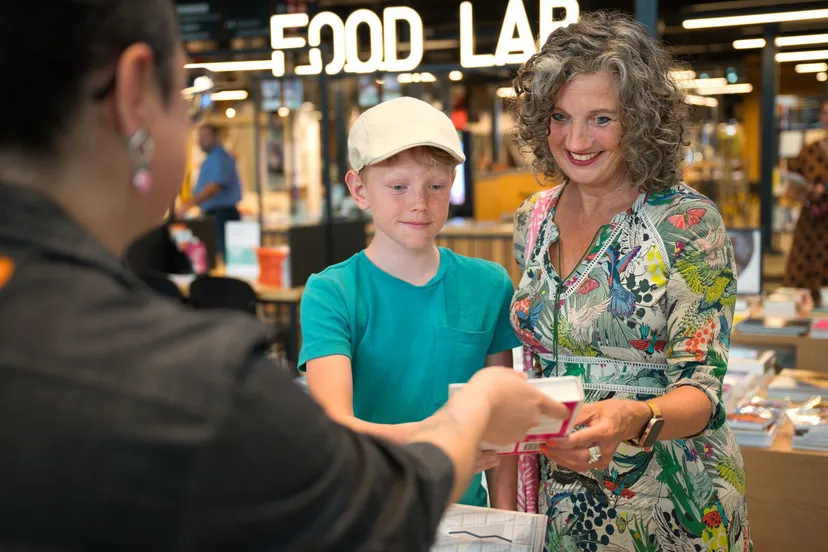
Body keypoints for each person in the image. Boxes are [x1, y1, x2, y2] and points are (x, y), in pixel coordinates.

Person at [0, 3, 570, 550]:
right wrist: (475, 412)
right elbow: (347, 483)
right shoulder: (188, 383)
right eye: (186, 99)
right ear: (134, 92)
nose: (418, 202)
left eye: (434, 186)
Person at [508, 12, 750, 550]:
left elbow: (702, 392)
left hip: (670, 499)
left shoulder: (685, 222)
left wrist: (633, 417)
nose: (575, 139)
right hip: (564, 497)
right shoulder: (534, 218)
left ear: (639, 121)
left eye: (600, 119)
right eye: (559, 116)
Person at [299, 96, 522, 509]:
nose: (419, 203)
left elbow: (499, 427)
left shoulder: (489, 285)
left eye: (435, 186)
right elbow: (336, 427)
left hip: (465, 521)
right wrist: (441, 446)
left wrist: (507, 523)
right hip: (366, 513)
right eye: (398, 187)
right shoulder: (331, 293)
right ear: (359, 189)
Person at [783, 97, 828, 305]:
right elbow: (791, 190)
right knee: (803, 280)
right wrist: (806, 191)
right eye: (826, 113)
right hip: (810, 224)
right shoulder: (808, 151)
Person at [176, 125, 242, 260]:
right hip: (215, 214)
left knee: (221, 257)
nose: (201, 141)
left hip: (222, 215)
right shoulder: (211, 158)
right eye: (199, 138)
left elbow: (213, 187)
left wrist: (188, 205)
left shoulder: (219, 157)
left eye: (205, 137)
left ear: (216, 137)